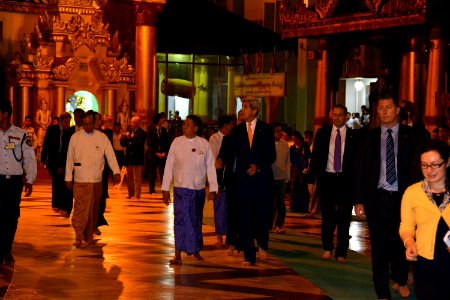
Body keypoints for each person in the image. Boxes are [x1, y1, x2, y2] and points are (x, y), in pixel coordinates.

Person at [354, 94, 422, 299]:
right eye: (380, 108)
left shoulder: (412, 136)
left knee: (401, 241)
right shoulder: (368, 136)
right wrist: (358, 199)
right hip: (378, 198)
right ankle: (382, 291)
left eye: (388, 107)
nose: (384, 111)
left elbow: (417, 169)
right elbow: (360, 169)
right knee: (379, 247)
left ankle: (401, 279)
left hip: (405, 199)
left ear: (397, 110)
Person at [161, 114, 218, 264]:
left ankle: (196, 249)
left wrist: (213, 188)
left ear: (196, 128)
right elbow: (169, 166)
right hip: (180, 189)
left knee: (195, 220)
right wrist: (165, 188)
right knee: (180, 219)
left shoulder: (204, 144)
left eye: (188, 125)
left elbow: (210, 167)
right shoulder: (176, 142)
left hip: (197, 190)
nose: (184, 127)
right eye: (184, 125)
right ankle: (178, 252)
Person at [227, 96, 276, 266]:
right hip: (242, 180)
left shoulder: (266, 129)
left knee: (261, 214)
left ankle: (262, 244)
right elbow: (230, 152)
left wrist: (258, 165)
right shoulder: (238, 131)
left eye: (246, 106)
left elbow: (271, 155)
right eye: (242, 106)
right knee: (245, 216)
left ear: (254, 111)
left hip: (262, 179)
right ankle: (249, 255)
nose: (242, 109)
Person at [400, 139, 450, 300]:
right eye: (424, 165)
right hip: (425, 263)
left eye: (435, 164)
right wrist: (409, 243)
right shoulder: (412, 192)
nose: (429, 170)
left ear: (447, 162)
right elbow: (406, 226)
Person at [309, 104, 358, 263]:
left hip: (345, 180)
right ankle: (327, 247)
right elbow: (315, 157)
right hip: (327, 179)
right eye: (334, 114)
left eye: (340, 114)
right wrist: (311, 179)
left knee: (344, 218)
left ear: (346, 116)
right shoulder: (323, 133)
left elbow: (357, 163)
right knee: (328, 216)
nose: (337, 117)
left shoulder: (353, 136)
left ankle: (341, 251)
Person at [65, 111, 120, 247]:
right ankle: (78, 236)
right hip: (80, 179)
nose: (88, 127)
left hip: (96, 180)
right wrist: (68, 177)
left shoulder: (102, 138)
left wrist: (116, 171)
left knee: (93, 210)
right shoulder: (75, 138)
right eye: (85, 124)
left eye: (90, 124)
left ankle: (88, 236)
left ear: (95, 123)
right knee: (80, 208)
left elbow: (110, 155)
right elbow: (69, 158)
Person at [0, 100, 36, 265]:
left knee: (12, 216)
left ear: (5, 114)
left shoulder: (21, 135)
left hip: (14, 182)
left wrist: (29, 179)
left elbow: (29, 157)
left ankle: (7, 248)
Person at [41, 112, 75, 217]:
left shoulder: (69, 131)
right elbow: (46, 143)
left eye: (69, 122)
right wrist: (43, 158)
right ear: (60, 121)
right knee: (56, 182)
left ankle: (61, 205)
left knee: (63, 183)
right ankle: (56, 203)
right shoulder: (52, 129)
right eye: (65, 122)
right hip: (53, 160)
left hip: (64, 160)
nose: (67, 124)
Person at [209, 115, 235, 245]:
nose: (233, 127)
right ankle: (219, 235)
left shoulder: (233, 138)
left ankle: (230, 235)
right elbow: (213, 162)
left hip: (230, 177)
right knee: (219, 207)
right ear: (225, 126)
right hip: (219, 177)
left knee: (230, 208)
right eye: (231, 124)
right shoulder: (214, 139)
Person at [121, 116, 146, 200]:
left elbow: (139, 144)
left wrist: (130, 138)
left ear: (138, 123)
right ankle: (131, 194)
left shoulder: (142, 133)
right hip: (129, 158)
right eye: (131, 122)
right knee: (129, 178)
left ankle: (137, 195)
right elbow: (123, 144)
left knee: (137, 178)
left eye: (134, 122)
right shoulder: (129, 131)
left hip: (137, 158)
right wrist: (124, 137)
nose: (132, 123)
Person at [272, 122, 290, 234]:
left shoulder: (285, 144)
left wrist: (288, 177)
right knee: (271, 203)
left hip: (282, 177)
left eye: (281, 131)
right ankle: (270, 224)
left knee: (281, 203)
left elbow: (288, 162)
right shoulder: (268, 144)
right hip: (270, 177)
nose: (280, 133)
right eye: (277, 131)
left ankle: (279, 225)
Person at [146, 113, 170, 194]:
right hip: (153, 154)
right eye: (161, 118)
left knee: (163, 172)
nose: (163, 120)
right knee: (152, 172)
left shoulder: (163, 130)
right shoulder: (150, 129)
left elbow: (167, 143)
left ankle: (164, 189)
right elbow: (149, 143)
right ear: (158, 120)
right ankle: (151, 189)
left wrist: (164, 152)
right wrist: (156, 152)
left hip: (162, 155)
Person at [289, 131, 311, 213]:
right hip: (295, 169)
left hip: (303, 170)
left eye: (295, 139)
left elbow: (308, 157)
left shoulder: (304, 146)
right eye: (293, 139)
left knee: (302, 189)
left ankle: (303, 207)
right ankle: (294, 207)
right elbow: (290, 160)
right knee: (294, 189)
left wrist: (307, 168)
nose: (294, 140)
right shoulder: (292, 148)